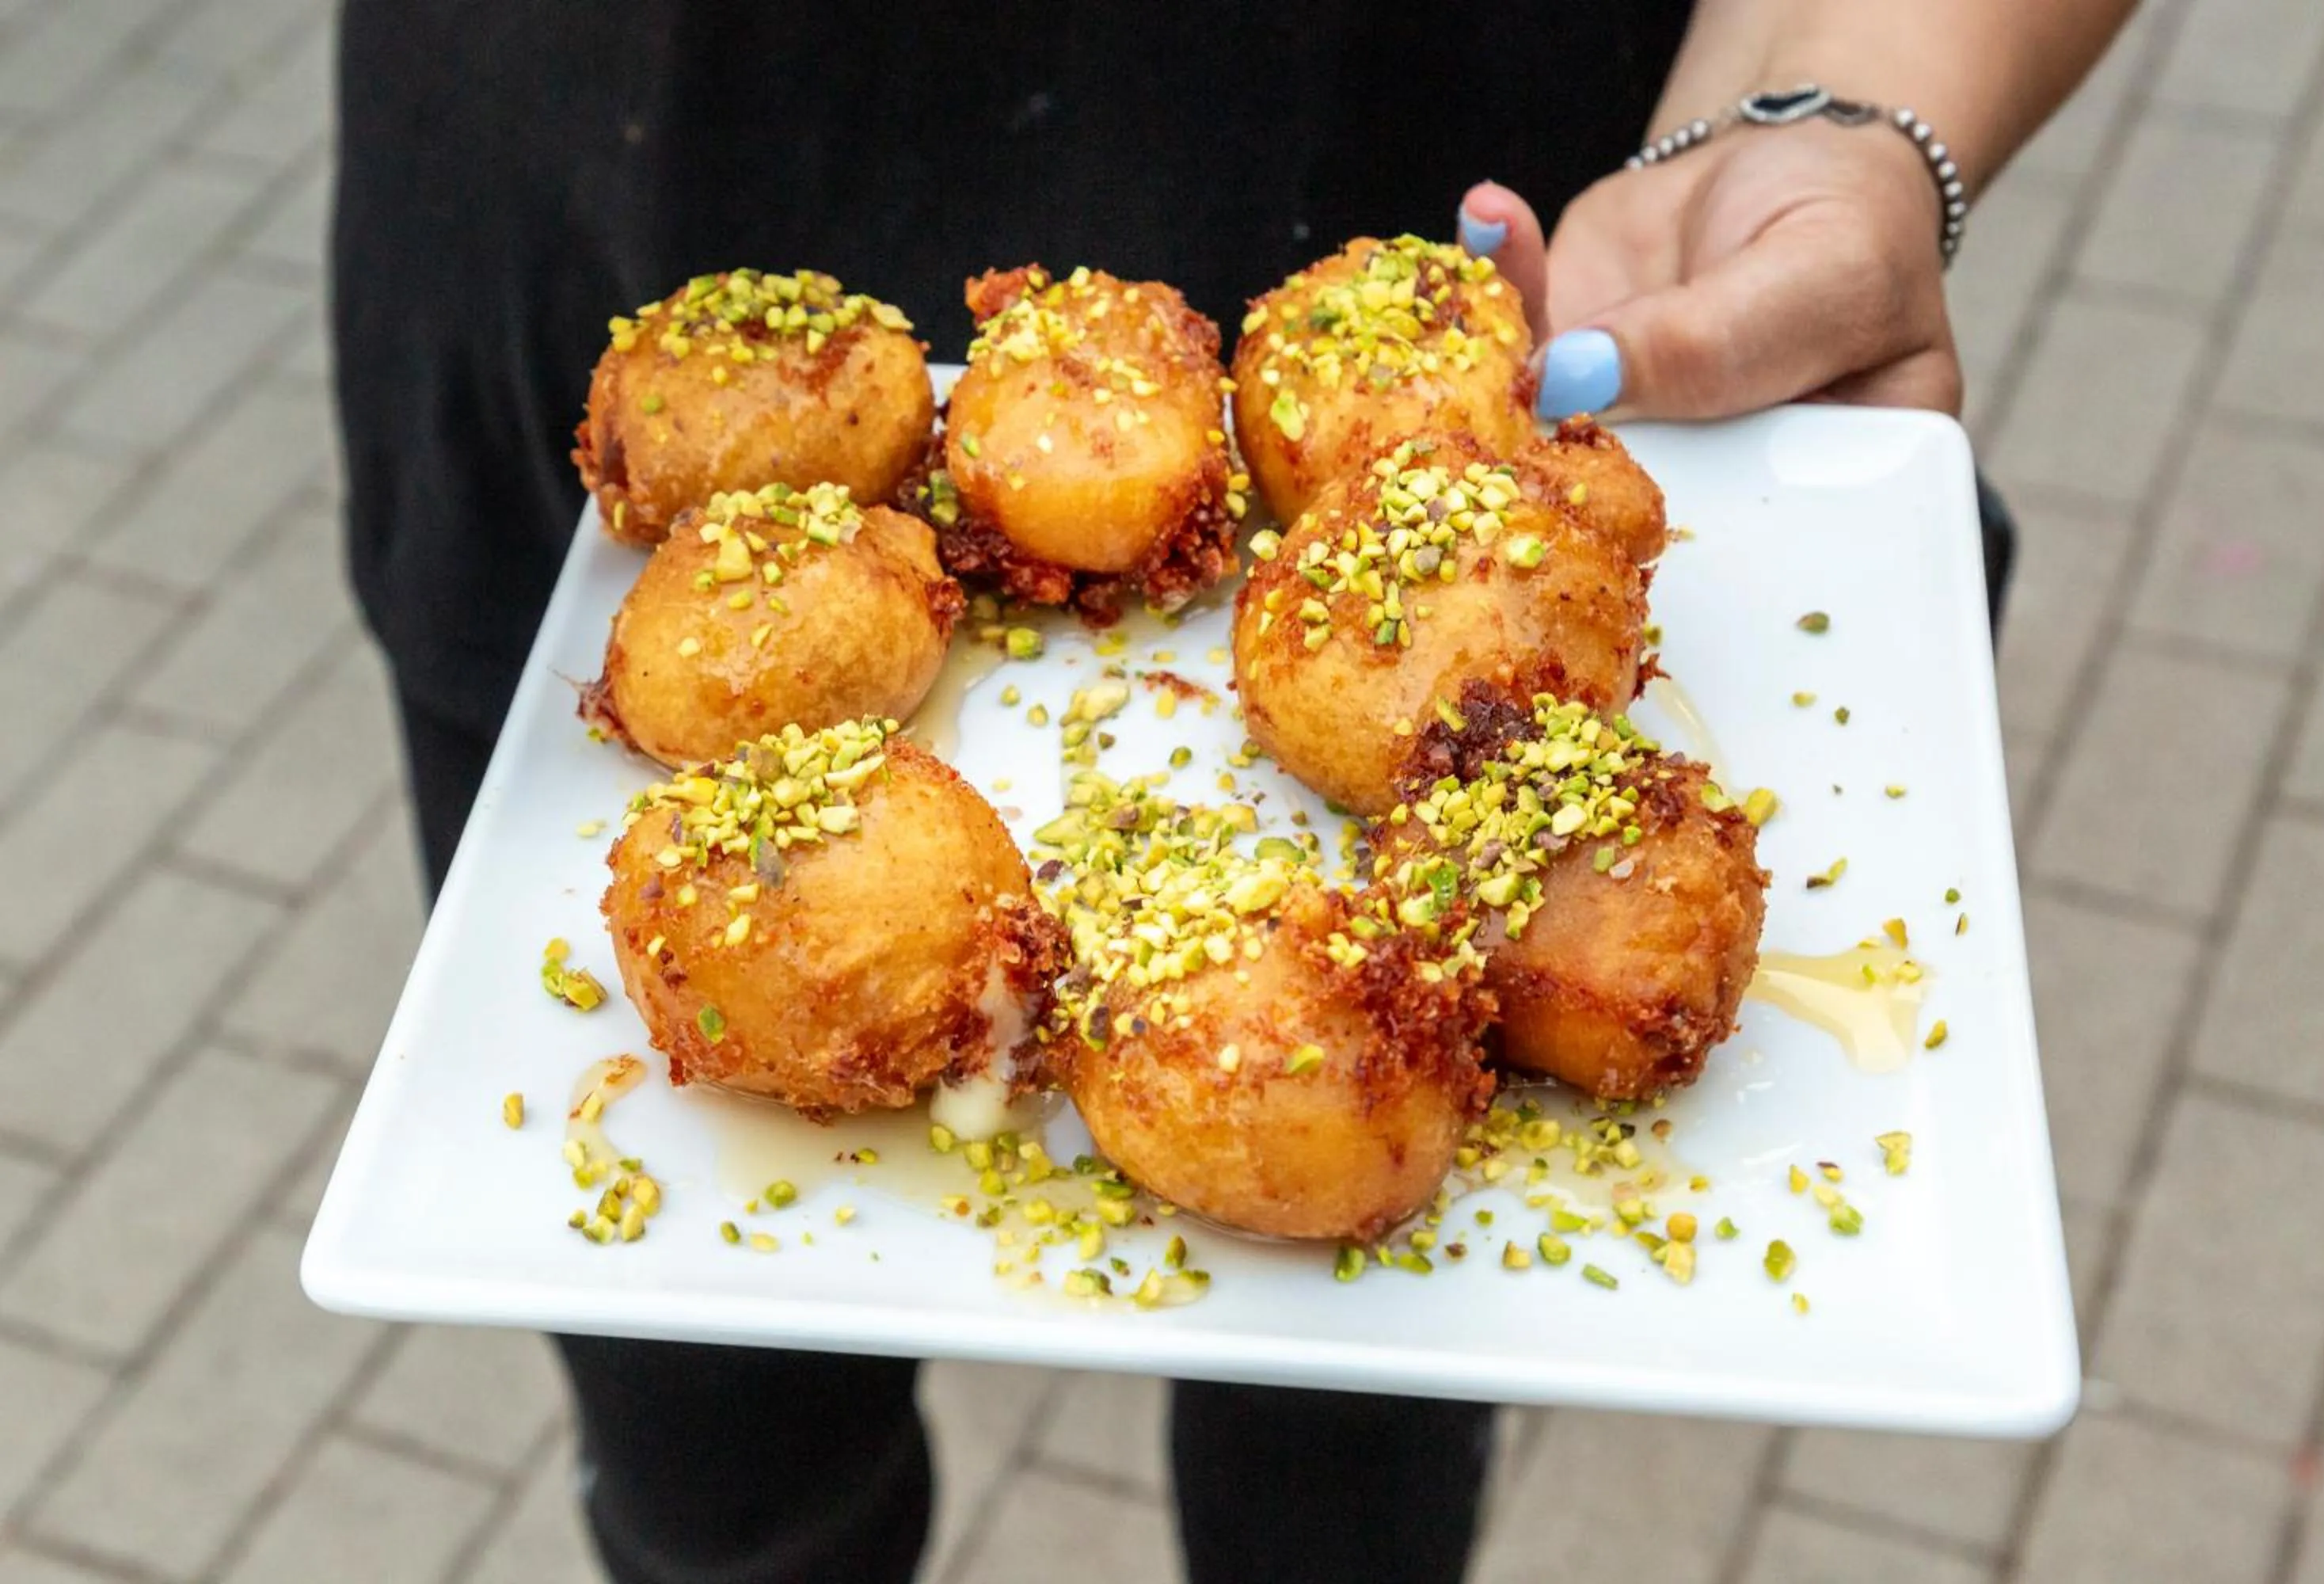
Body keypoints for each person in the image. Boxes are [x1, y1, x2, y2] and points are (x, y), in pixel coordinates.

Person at [332, 3, 2136, 1579]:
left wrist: (1845, 97)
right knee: (716, 1455)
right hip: (609, 169)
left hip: (1470, 146)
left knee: (1349, 1464)